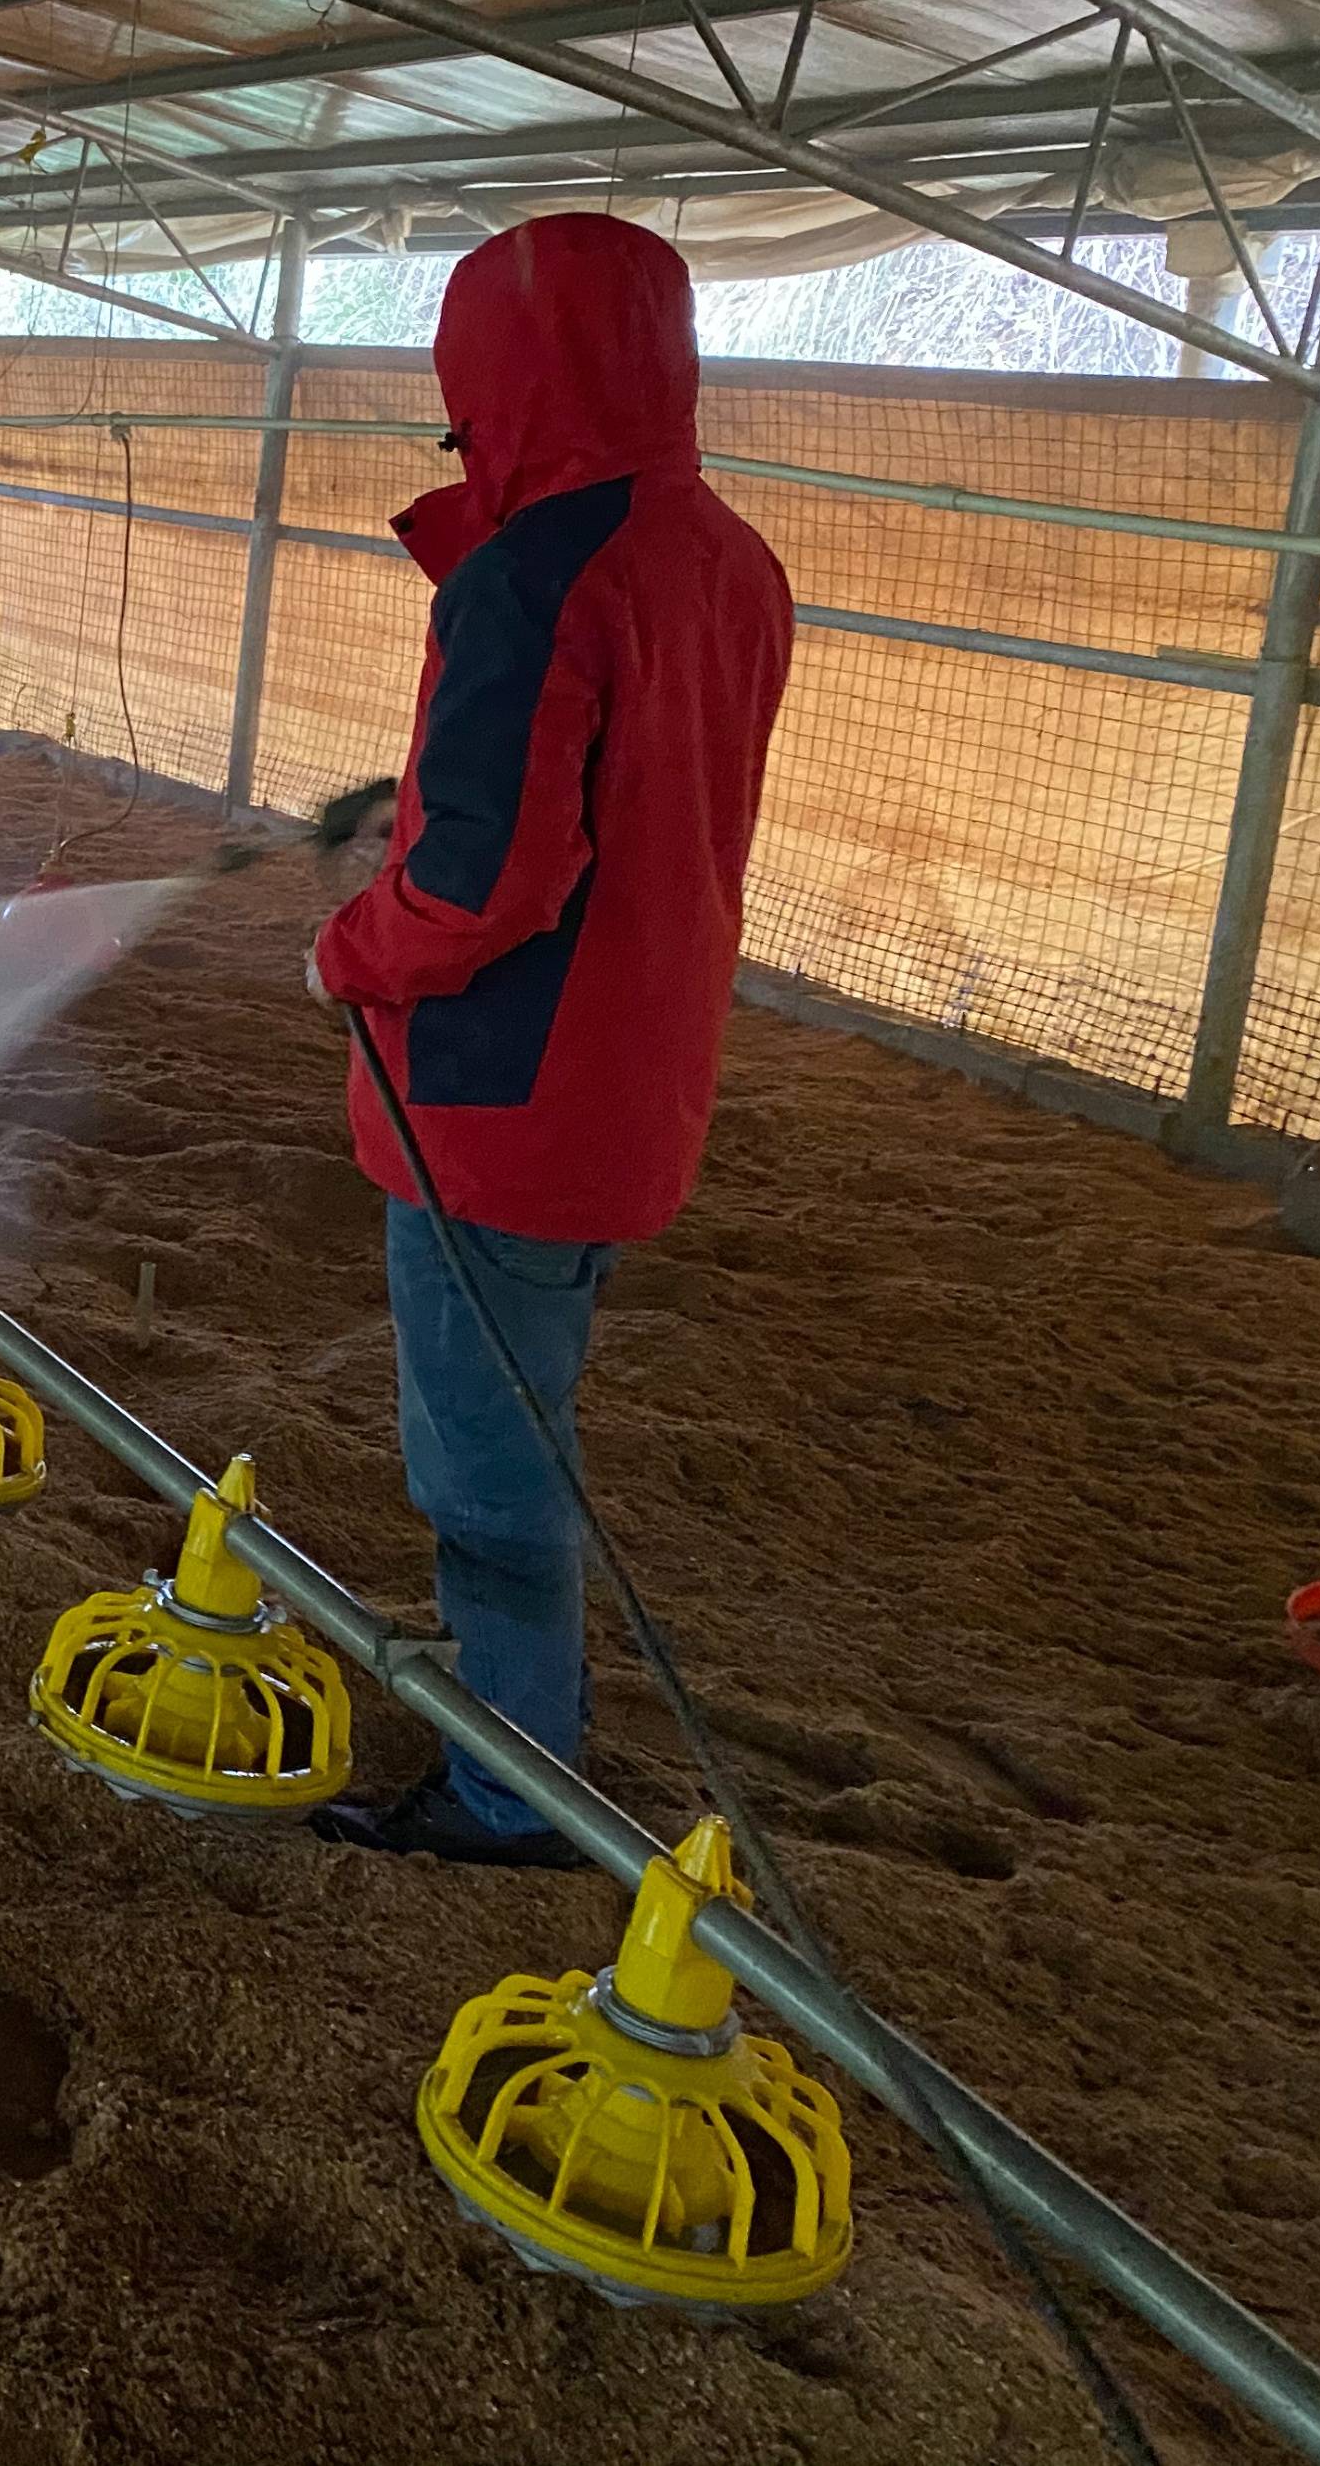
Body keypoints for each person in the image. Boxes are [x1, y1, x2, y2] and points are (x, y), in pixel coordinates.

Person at [302, 213, 793, 1868]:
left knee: (489, 1462)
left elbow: (480, 881)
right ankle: (510, 1693)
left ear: (505, 384)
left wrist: (348, 951)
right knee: (528, 1405)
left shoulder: (530, 576)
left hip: (497, 1101)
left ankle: (512, 1787)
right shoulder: (728, 557)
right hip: (636, 1080)